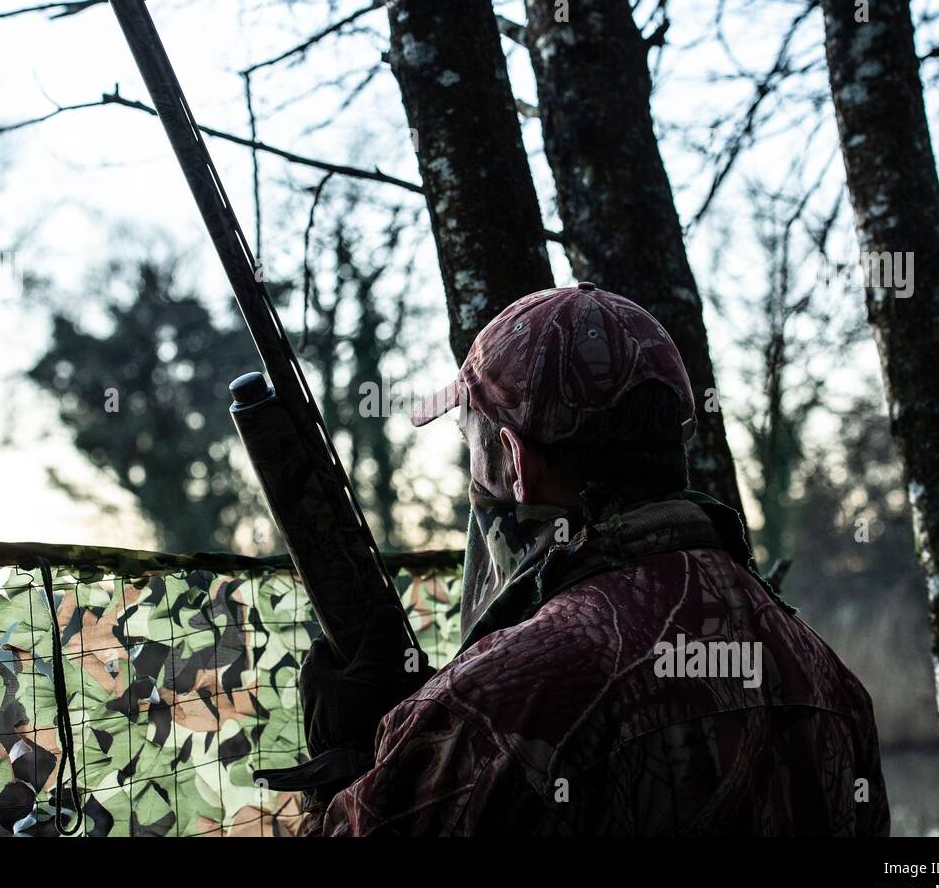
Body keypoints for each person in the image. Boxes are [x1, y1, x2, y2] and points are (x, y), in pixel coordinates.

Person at [280, 282, 889, 836]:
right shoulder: (827, 677)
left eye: (471, 443)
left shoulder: (496, 705)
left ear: (516, 462)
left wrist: (351, 771)